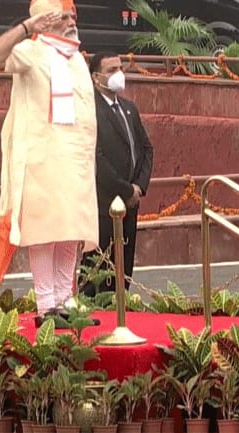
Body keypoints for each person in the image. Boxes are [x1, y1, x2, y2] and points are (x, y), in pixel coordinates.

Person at [0, 0, 99, 326]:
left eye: (73, 14)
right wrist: (27, 27)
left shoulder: (77, 59)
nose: (72, 21)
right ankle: (46, 306)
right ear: (46, 19)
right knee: (45, 234)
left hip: (76, 165)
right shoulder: (31, 52)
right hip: (41, 164)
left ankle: (66, 302)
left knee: (70, 234)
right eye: (64, 15)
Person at [80, 52, 154, 297]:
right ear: (96, 77)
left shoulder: (129, 108)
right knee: (98, 269)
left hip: (131, 202)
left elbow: (146, 148)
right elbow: (96, 158)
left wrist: (138, 187)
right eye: (111, 70)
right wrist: (123, 189)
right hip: (104, 203)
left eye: (120, 68)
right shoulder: (90, 110)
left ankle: (121, 308)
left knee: (124, 266)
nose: (118, 75)